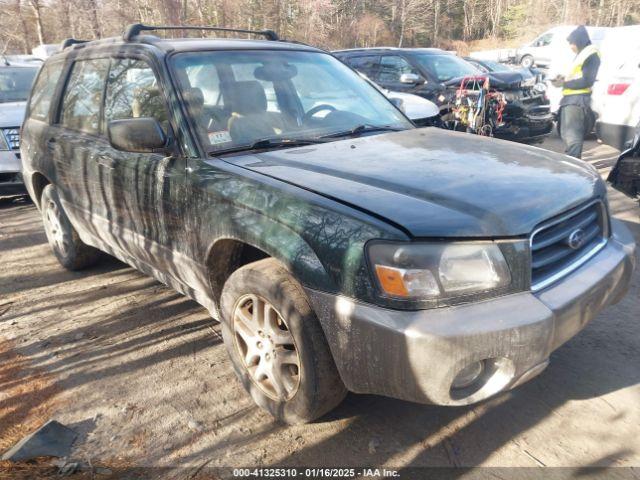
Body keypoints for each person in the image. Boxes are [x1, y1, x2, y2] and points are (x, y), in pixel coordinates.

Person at [552, 25, 601, 159]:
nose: (570, 46)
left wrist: (564, 83)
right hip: (570, 99)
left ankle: (573, 164)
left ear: (579, 40)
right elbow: (576, 75)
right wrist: (561, 80)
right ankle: (571, 160)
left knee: (573, 135)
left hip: (577, 100)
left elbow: (587, 80)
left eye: (571, 43)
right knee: (565, 132)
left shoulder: (591, 55)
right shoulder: (581, 54)